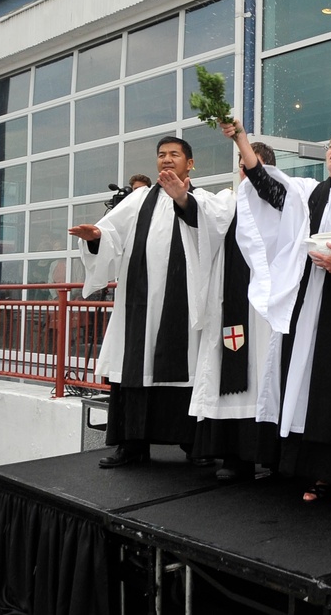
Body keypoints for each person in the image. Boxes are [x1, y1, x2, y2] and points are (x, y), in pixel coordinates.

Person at [225, 122, 331, 507]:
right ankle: (321, 475)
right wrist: (241, 140)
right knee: (312, 385)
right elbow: (268, 186)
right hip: (310, 302)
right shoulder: (307, 192)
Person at [70, 137, 234, 468]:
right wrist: (96, 238)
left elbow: (212, 233)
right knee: (135, 367)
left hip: (182, 306)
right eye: (161, 155)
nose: (166, 160)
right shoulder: (139, 200)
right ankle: (132, 445)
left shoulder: (204, 200)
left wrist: (182, 200)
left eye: (175, 154)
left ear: (190, 163)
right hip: (140, 305)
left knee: (183, 367)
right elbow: (113, 233)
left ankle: (192, 444)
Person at [187, 141, 281, 481]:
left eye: (250, 166)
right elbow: (200, 214)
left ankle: (274, 458)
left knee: (271, 379)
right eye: (242, 166)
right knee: (235, 375)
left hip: (270, 312)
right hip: (233, 306)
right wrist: (182, 197)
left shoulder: (284, 203)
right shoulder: (229, 202)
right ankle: (236, 458)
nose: (244, 172)